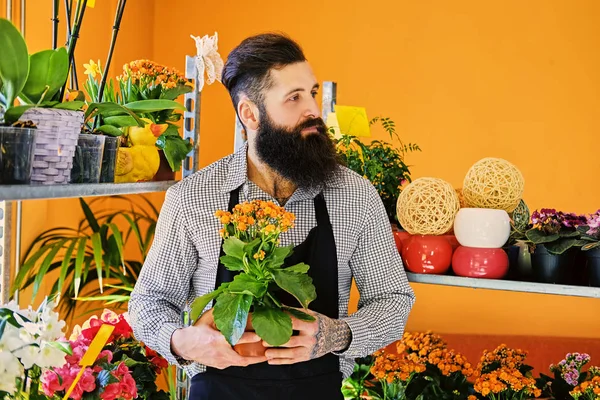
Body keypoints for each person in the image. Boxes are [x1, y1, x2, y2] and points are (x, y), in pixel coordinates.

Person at [128, 32, 415, 400]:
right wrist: (180, 340)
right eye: (294, 98)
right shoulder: (193, 198)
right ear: (250, 114)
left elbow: (392, 299)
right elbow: (148, 302)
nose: (313, 109)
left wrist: (336, 335)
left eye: (311, 93)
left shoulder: (355, 195)